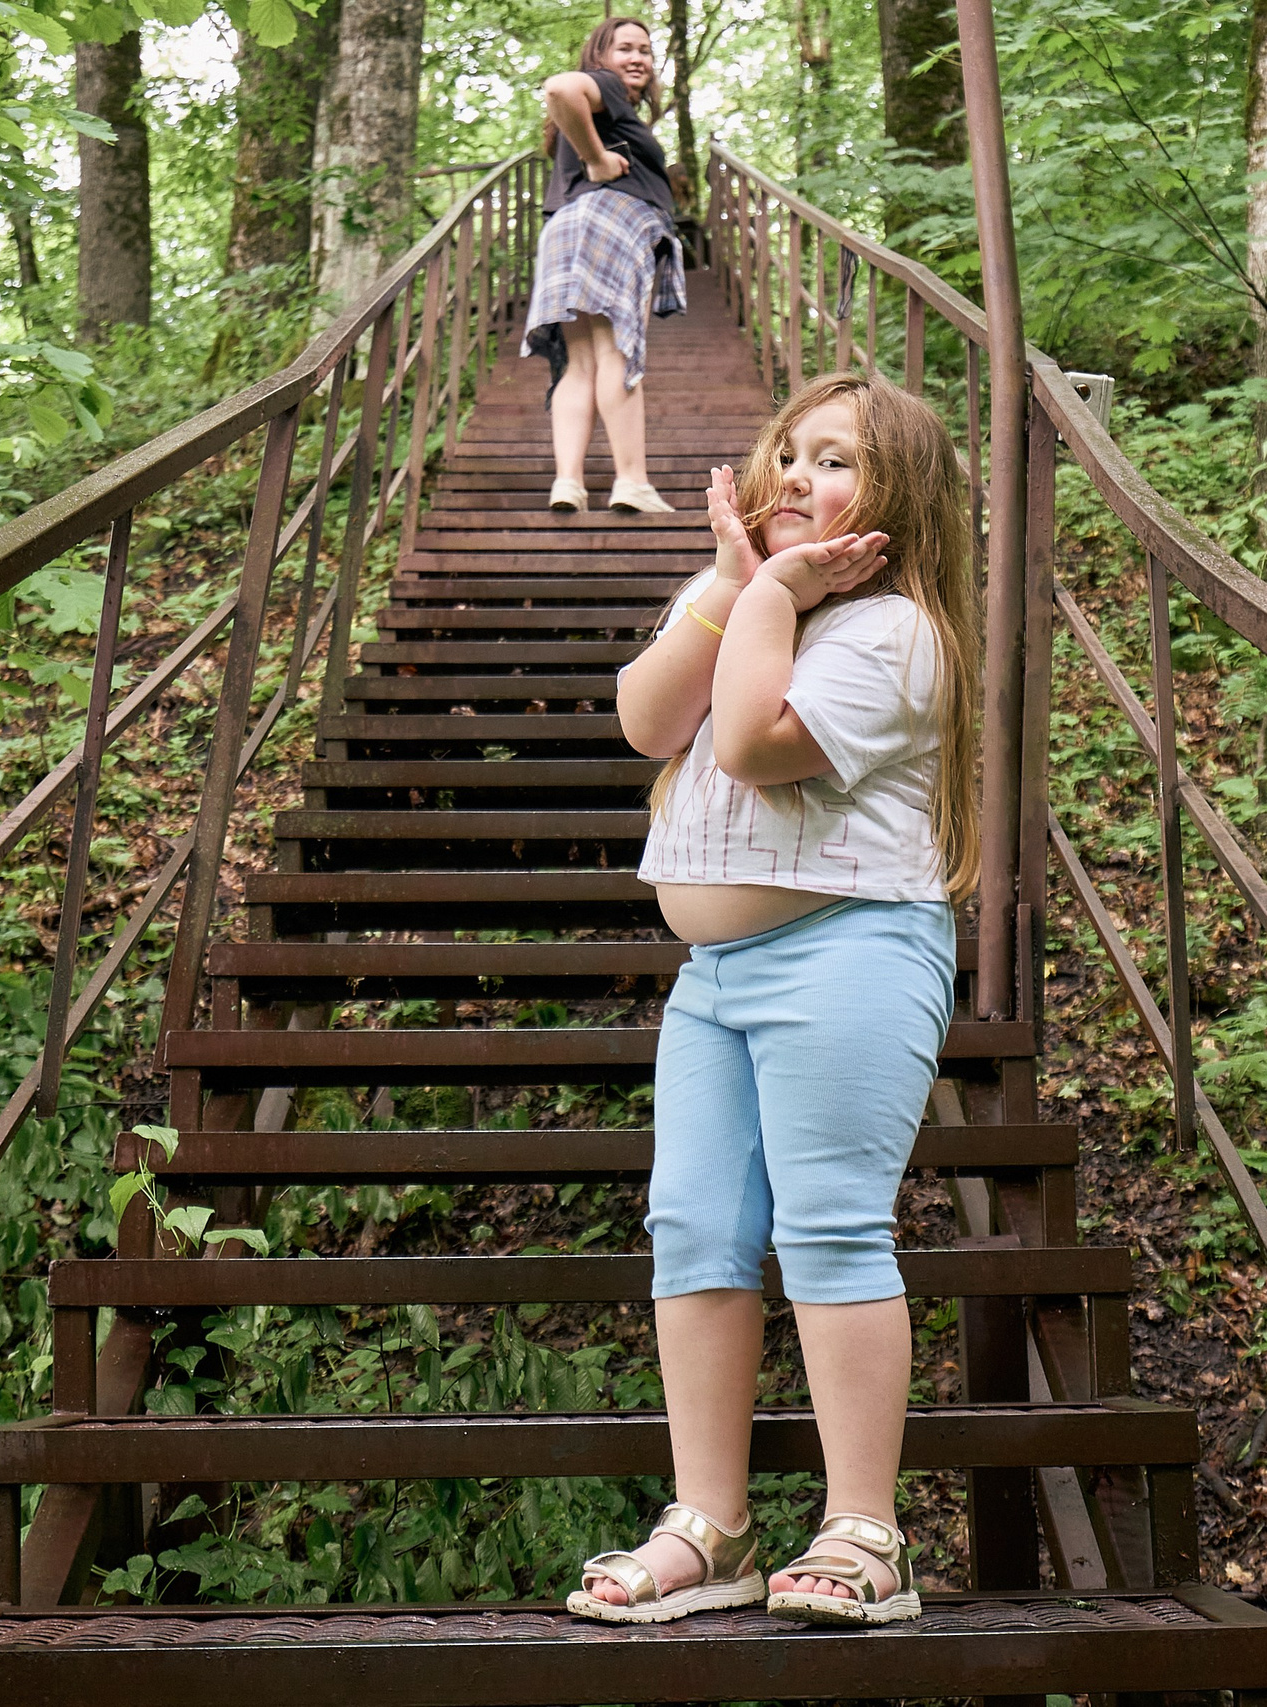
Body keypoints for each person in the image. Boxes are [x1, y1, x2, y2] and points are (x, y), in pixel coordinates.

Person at [569, 372, 981, 1627]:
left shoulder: (895, 634)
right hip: (715, 982)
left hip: (849, 949)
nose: (799, 476)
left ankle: (864, 1530)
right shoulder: (748, 596)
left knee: (830, 1229)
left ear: (901, 499)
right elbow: (649, 721)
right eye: (789, 452)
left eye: (837, 461)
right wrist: (730, 584)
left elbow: (749, 744)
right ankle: (712, 1526)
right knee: (693, 1227)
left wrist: (769, 597)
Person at [524, 17, 685, 514]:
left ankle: (568, 483)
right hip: (615, 221)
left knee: (580, 363)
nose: (638, 58)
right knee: (615, 353)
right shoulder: (607, 88)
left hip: (567, 228)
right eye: (625, 48)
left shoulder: (602, 114)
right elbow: (560, 87)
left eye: (646, 50)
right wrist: (597, 159)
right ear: (600, 56)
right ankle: (631, 482)